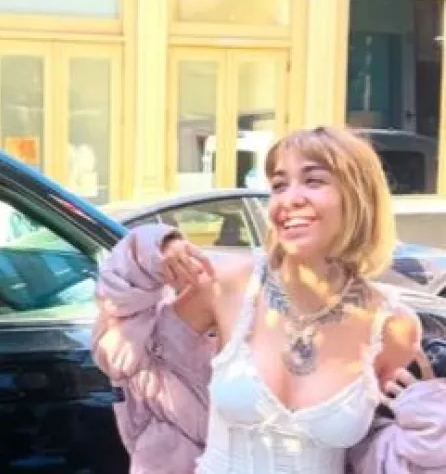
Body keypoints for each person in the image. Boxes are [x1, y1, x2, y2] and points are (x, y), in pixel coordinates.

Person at [92, 126, 446, 473]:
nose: (289, 200)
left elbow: (375, 451)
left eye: (313, 181)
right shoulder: (227, 284)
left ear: (358, 196)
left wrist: (429, 425)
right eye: (279, 185)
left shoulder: (392, 326)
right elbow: (134, 355)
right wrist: (151, 250)